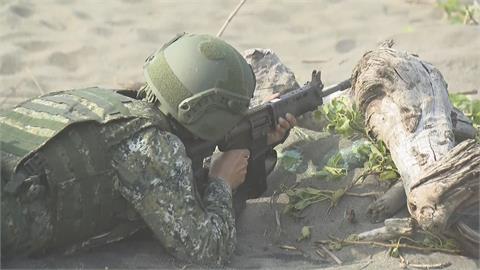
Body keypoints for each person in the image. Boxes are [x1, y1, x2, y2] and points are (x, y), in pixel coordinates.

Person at [0, 33, 296, 266]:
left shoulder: (110, 104)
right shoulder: (153, 148)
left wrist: (258, 141)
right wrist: (221, 182)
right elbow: (208, 251)